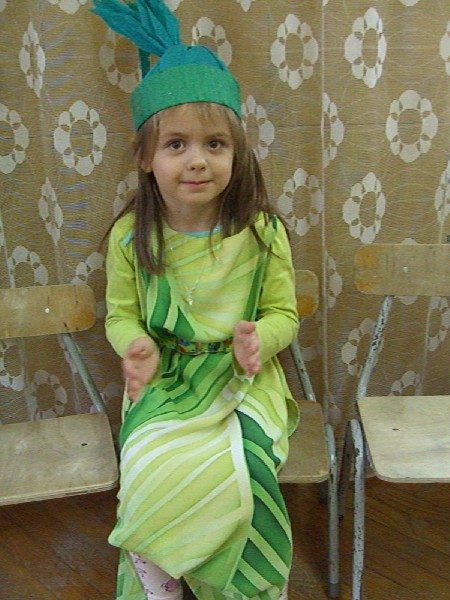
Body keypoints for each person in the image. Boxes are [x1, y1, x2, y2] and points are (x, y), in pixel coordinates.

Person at [92, 2, 299, 600]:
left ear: (237, 154)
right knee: (148, 465)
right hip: (167, 378)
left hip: (244, 380)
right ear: (145, 157)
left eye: (215, 144)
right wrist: (134, 345)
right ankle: (162, 588)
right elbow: (121, 314)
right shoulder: (130, 238)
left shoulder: (262, 233)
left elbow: (283, 313)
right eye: (176, 144)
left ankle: (239, 589)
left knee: (247, 470)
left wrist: (262, 340)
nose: (197, 160)